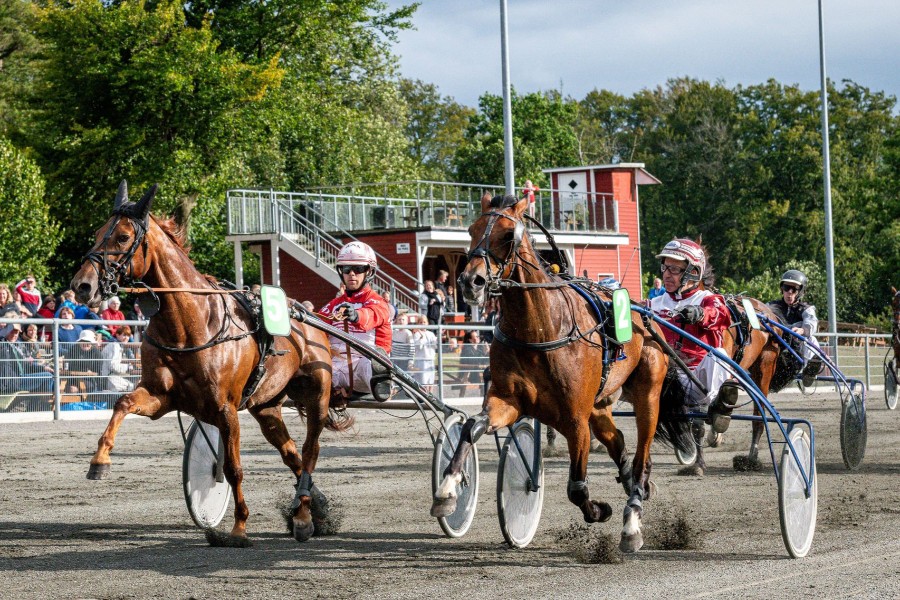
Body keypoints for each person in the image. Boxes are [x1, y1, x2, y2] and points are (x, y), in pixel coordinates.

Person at [649, 238, 738, 435]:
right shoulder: (654, 304)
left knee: (720, 353)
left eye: (674, 269)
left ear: (693, 272)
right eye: (665, 268)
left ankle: (718, 406)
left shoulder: (707, 299)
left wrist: (700, 314)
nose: (666, 275)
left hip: (699, 380)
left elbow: (721, 315)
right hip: (666, 379)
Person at [319, 241, 393, 397]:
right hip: (335, 369)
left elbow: (373, 314)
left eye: (358, 269)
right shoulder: (333, 305)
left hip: (363, 366)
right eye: (346, 269)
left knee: (372, 363)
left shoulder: (377, 302)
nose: (352, 273)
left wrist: (357, 315)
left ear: (369, 272)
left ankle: (382, 381)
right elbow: (317, 326)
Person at [767, 269, 823, 387]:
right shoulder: (771, 306)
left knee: (811, 340)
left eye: (794, 289)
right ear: (782, 289)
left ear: (800, 292)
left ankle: (809, 371)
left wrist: (802, 330)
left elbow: (811, 322)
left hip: (796, 349)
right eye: (787, 288)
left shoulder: (806, 309)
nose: (790, 292)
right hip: (777, 345)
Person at [0, 324, 54, 394]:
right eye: (11, 332)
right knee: (48, 376)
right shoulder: (2, 344)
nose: (14, 335)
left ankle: (42, 402)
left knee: (53, 377)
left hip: (21, 377)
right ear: (6, 331)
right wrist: (10, 326)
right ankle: (44, 403)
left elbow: (27, 365)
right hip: (11, 382)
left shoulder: (17, 345)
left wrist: (43, 368)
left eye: (16, 332)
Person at [62, 329, 105, 394]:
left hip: (90, 379)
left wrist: (90, 372)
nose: (85, 344)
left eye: (88, 341)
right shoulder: (73, 350)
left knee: (88, 387)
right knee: (71, 389)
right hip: (72, 378)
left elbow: (98, 370)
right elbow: (69, 366)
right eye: (83, 341)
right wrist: (86, 370)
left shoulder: (97, 353)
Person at [102, 325, 136, 392]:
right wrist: (128, 367)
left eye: (128, 336)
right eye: (124, 335)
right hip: (108, 377)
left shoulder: (121, 346)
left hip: (113, 376)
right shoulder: (114, 346)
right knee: (131, 387)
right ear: (117, 335)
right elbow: (113, 366)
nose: (126, 338)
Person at [411, 313, 438, 392]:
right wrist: (421, 338)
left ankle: (431, 397)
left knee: (431, 381)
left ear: (427, 323)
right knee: (423, 382)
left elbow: (435, 345)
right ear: (418, 324)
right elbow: (418, 346)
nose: (423, 324)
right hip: (421, 360)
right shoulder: (416, 335)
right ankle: (424, 398)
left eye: (424, 322)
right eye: (421, 322)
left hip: (430, 360)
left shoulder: (431, 334)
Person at [459, 329, 490, 396]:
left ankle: (485, 397)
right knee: (485, 377)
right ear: (470, 340)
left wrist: (487, 352)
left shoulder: (480, 348)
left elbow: (484, 361)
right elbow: (472, 361)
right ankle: (484, 396)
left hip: (478, 372)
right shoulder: (467, 349)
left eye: (478, 336)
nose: (478, 338)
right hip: (469, 374)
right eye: (476, 337)